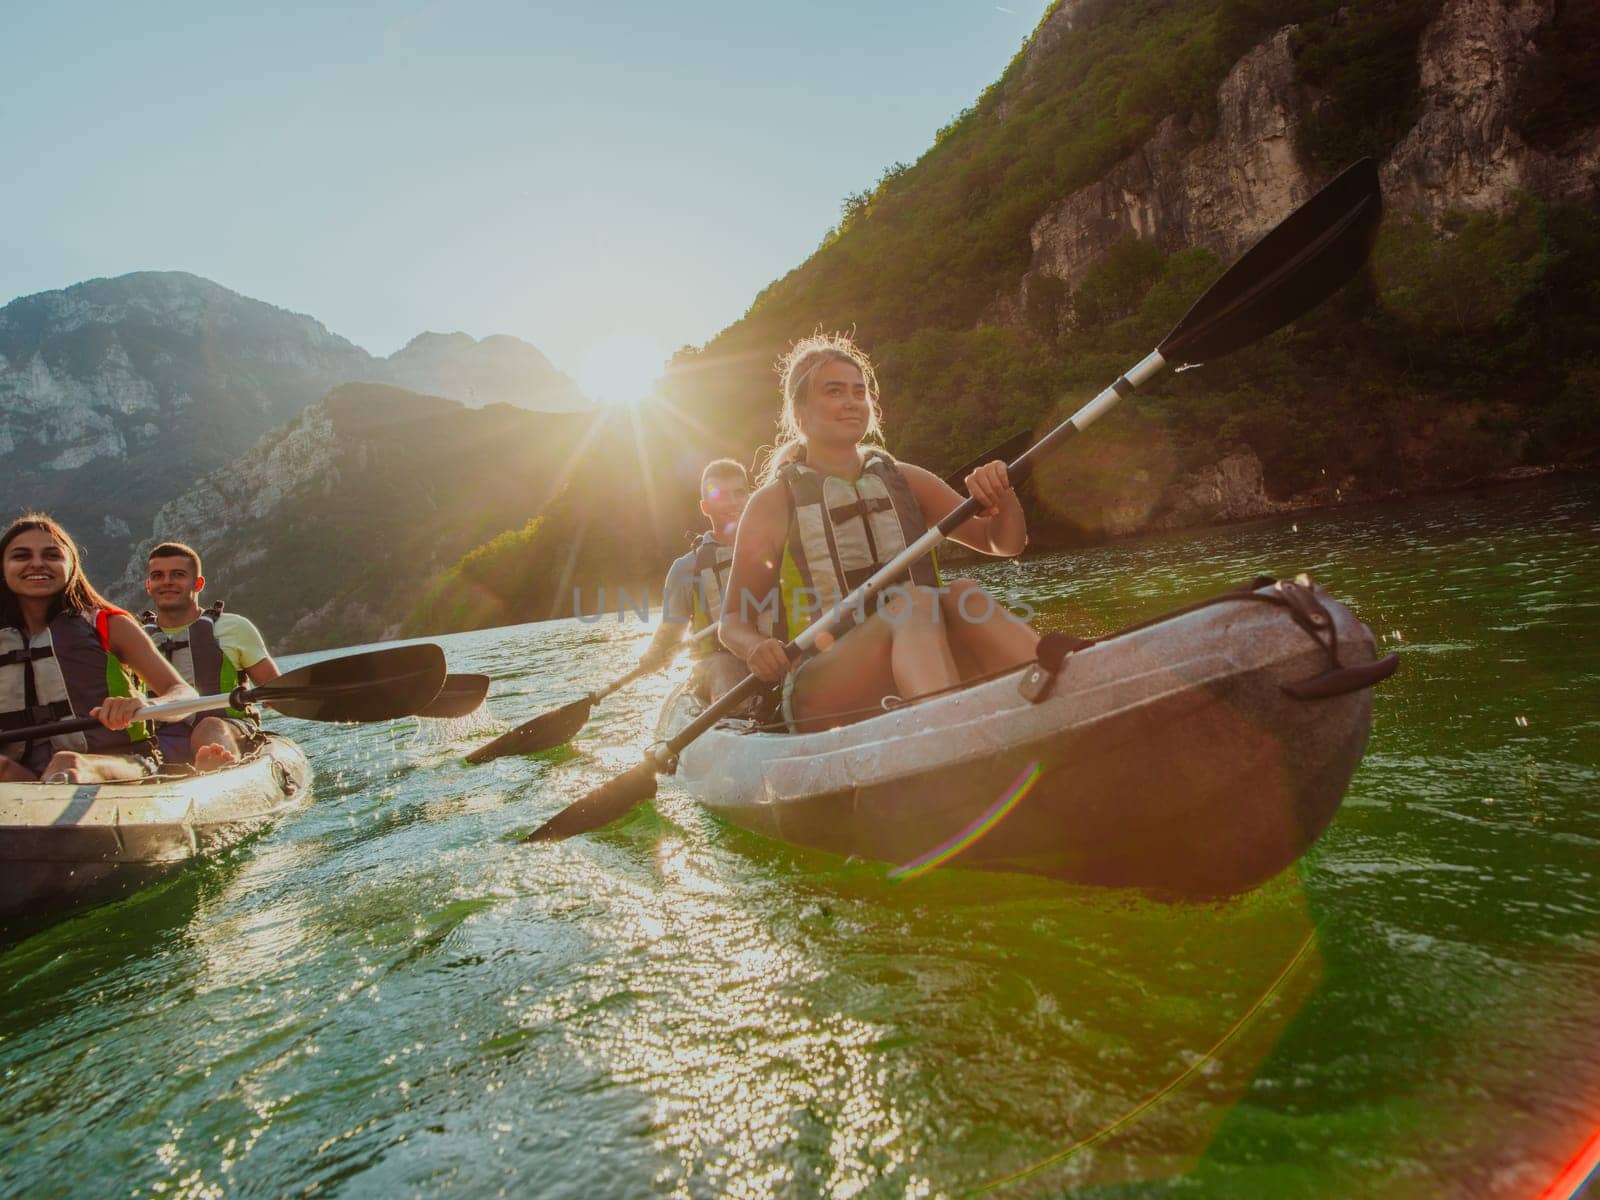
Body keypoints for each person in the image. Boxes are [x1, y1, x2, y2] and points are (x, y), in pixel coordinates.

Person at [719, 332, 1040, 733]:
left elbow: (1003, 544)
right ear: (799, 413)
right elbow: (732, 618)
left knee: (963, 593)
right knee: (915, 603)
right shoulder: (773, 503)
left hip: (922, 655)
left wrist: (1003, 495)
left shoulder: (906, 480)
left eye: (859, 391)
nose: (852, 401)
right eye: (834, 392)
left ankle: (1061, 677)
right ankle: (948, 733)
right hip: (824, 684)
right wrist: (754, 647)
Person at [0, 514, 197, 784]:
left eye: (52, 555)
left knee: (67, 764)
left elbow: (184, 694)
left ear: (71, 565)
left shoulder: (109, 624)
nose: (37, 563)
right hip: (23, 776)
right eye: (21, 556)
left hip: (121, 764)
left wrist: (145, 704)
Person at [142, 541, 280, 770]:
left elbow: (273, 688)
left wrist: (274, 696)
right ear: (149, 585)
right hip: (162, 737)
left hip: (228, 727)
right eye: (158, 575)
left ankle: (221, 769)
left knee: (208, 727)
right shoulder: (136, 638)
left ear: (198, 583)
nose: (167, 582)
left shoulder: (234, 627)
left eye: (178, 575)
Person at [637, 459, 755, 703]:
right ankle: (739, 720)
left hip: (771, 648)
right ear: (705, 507)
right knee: (725, 670)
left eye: (739, 493)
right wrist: (654, 654)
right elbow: (671, 630)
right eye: (721, 496)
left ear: (751, 497)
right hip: (719, 660)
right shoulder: (685, 568)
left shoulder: (776, 545)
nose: (733, 502)